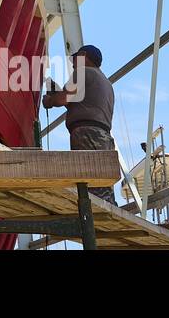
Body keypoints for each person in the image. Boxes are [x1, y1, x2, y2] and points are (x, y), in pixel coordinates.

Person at [42, 44, 116, 203]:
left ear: (83, 55)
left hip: (87, 135)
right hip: (102, 137)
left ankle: (91, 217)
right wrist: (60, 93)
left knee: (88, 181)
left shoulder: (83, 72)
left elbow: (62, 99)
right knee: (102, 185)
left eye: (74, 59)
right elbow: (83, 105)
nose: (73, 63)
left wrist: (50, 100)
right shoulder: (105, 82)